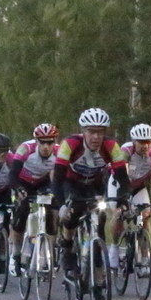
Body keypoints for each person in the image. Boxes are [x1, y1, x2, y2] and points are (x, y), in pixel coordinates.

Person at [52, 108, 124, 275]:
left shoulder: (111, 147)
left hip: (95, 184)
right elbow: (57, 179)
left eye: (100, 132)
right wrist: (62, 205)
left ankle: (98, 268)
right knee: (73, 213)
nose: (96, 137)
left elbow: (123, 178)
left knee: (100, 218)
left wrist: (123, 199)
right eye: (91, 132)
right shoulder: (69, 145)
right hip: (71, 183)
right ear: (83, 131)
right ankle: (67, 246)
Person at [4, 122, 61, 273]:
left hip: (42, 183)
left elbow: (63, 177)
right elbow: (12, 175)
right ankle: (15, 254)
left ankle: (50, 254)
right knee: (22, 212)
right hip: (22, 182)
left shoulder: (59, 151)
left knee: (52, 213)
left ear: (55, 141)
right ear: (36, 141)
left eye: (50, 142)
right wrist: (18, 189)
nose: (46, 146)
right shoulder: (25, 149)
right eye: (42, 142)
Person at [115, 122, 151, 253]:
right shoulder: (126, 150)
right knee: (119, 215)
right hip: (119, 184)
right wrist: (122, 200)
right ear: (134, 142)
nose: (145, 145)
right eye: (141, 142)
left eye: (148, 142)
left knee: (145, 215)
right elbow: (123, 176)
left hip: (138, 186)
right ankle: (114, 250)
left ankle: (145, 258)